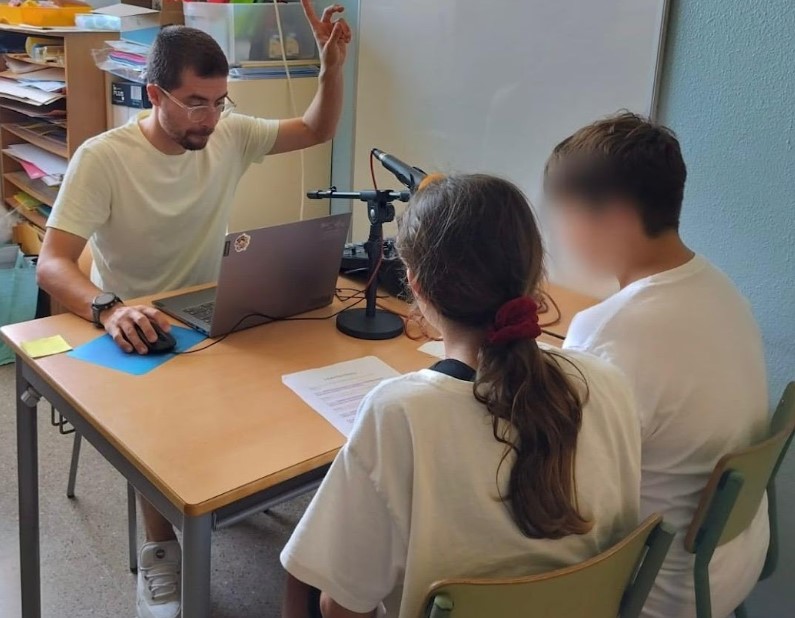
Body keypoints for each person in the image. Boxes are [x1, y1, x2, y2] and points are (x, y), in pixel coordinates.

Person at [36, 3, 352, 617]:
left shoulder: (228, 133)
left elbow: (315, 130)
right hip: (140, 321)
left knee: (302, 374)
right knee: (155, 425)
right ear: (154, 94)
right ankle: (160, 550)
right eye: (195, 103)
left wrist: (331, 69)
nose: (210, 117)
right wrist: (109, 309)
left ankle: (248, 492)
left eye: (219, 102)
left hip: (218, 308)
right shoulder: (104, 157)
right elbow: (52, 263)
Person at [280, 174, 642, 618]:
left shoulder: (401, 415)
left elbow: (342, 607)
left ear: (415, 284)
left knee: (305, 571)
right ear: (533, 273)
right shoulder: (608, 382)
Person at [544, 112, 770, 618]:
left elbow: (562, 493)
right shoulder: (720, 287)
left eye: (564, 213)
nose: (558, 231)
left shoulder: (610, 329)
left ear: (615, 216)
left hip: (656, 591)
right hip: (727, 564)